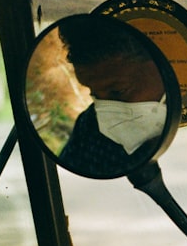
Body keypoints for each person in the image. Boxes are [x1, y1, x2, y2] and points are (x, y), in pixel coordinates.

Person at [56, 16, 168, 176]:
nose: (107, 112)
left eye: (118, 91)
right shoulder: (89, 130)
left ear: (162, 69)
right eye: (95, 95)